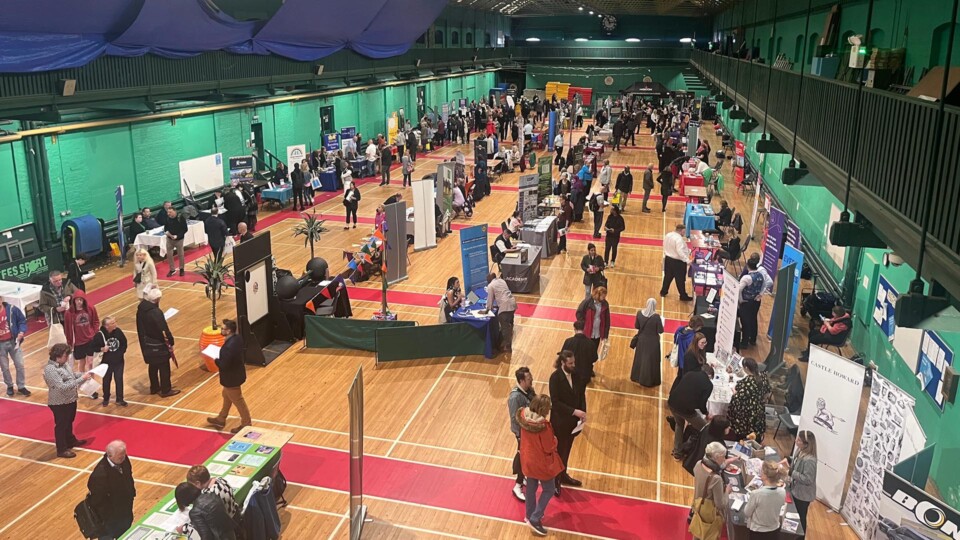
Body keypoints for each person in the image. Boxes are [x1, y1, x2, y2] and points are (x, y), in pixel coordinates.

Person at [517, 394, 565, 537]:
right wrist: (555, 440)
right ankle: (535, 518)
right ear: (544, 409)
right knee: (549, 489)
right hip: (541, 463)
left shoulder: (523, 418)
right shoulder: (543, 427)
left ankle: (529, 515)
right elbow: (549, 447)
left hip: (527, 460)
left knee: (531, 488)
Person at [43, 343, 91, 458]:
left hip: (70, 399)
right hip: (59, 402)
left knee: (69, 421)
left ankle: (70, 440)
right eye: (66, 356)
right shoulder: (50, 369)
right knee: (61, 425)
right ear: (57, 356)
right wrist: (81, 379)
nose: (68, 358)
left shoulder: (64, 365)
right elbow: (62, 386)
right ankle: (61, 449)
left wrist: (82, 374)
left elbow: (71, 376)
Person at [548, 350, 587, 492]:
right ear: (563, 362)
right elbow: (555, 402)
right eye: (570, 363)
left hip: (572, 422)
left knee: (567, 450)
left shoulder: (576, 375)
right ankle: (555, 479)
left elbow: (581, 395)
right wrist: (574, 411)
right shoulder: (555, 378)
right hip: (560, 422)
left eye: (574, 362)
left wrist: (583, 412)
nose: (573, 365)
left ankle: (563, 475)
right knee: (558, 452)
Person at [206, 319, 251, 434]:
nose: (221, 330)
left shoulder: (228, 347)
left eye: (223, 328)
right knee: (226, 395)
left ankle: (246, 424)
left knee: (238, 400)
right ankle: (221, 418)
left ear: (229, 330)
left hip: (231, 378)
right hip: (237, 374)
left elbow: (224, 365)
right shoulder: (237, 338)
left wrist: (216, 359)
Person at [136, 286, 180, 398]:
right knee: (164, 367)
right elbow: (163, 329)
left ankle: (154, 387)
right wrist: (170, 341)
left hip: (147, 343)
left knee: (153, 365)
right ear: (157, 300)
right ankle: (166, 389)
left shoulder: (141, 310)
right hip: (158, 344)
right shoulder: (155, 312)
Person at [87, 440, 136, 539]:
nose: (123, 457)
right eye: (120, 456)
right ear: (110, 456)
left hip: (125, 510)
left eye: (124, 454)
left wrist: (131, 495)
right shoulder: (100, 475)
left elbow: (128, 477)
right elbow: (97, 501)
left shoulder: (123, 459)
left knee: (126, 533)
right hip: (109, 519)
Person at [668, 363, 714, 459]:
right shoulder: (708, 385)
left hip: (672, 403)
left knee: (679, 425)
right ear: (709, 376)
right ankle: (701, 454)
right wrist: (706, 414)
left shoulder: (690, 374)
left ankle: (677, 452)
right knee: (705, 428)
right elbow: (702, 404)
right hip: (686, 410)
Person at [690, 440, 731, 540]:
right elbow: (720, 504)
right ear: (716, 457)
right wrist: (727, 492)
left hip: (697, 505)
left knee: (697, 532)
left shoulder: (698, 464)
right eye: (723, 456)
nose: (725, 458)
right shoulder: (716, 479)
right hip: (710, 513)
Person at [507, 367, 536, 502]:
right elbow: (515, 419)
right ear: (521, 380)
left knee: (526, 457)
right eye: (529, 379)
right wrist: (524, 434)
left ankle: (522, 477)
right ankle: (517, 485)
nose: (532, 380)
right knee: (523, 457)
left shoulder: (529, 390)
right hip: (522, 433)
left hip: (529, 431)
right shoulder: (515, 397)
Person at [780, 431, 817, 536]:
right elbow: (796, 462)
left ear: (806, 444)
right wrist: (788, 459)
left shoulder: (810, 460)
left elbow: (808, 479)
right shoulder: (799, 451)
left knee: (801, 518)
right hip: (795, 489)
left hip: (803, 495)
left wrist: (790, 472)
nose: (796, 441)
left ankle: (801, 536)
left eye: (799, 440)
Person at [64, 290, 100, 394]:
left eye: (81, 300)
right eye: (77, 300)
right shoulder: (69, 313)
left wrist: (94, 332)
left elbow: (96, 321)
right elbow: (67, 329)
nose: (79, 302)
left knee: (90, 363)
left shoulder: (91, 308)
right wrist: (70, 342)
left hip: (90, 340)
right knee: (81, 363)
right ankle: (82, 383)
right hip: (78, 342)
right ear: (73, 301)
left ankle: (92, 385)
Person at [727, 358, 771, 442]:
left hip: (747, 411)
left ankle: (742, 441)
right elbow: (767, 393)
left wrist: (733, 390)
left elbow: (737, 396)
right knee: (755, 428)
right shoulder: (763, 377)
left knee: (744, 429)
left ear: (746, 368)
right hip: (758, 408)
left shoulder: (747, 382)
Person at [744, 461, 787, 539]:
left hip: (758, 532)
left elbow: (747, 512)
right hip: (774, 531)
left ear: (765, 476)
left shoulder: (756, 494)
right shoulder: (782, 491)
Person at [91, 317, 128, 407]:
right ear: (106, 326)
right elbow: (92, 347)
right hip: (106, 363)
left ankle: (120, 399)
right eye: (112, 323)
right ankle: (106, 398)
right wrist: (101, 349)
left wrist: (120, 353)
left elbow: (124, 343)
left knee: (119, 379)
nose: (115, 324)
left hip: (119, 361)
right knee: (106, 380)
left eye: (115, 322)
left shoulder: (118, 331)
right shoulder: (100, 335)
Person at [739, 257, 772, 349]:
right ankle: (753, 339)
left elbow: (739, 289)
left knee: (745, 321)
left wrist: (740, 300)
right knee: (753, 319)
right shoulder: (761, 275)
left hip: (746, 302)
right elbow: (766, 283)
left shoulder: (746, 278)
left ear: (747, 266)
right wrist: (760, 294)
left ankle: (744, 342)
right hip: (756, 301)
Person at [630, 298, 664, 387]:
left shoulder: (639, 313)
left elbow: (636, 326)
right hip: (653, 342)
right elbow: (660, 330)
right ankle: (648, 380)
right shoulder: (656, 317)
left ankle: (637, 377)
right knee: (651, 361)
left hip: (641, 340)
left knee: (640, 359)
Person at [0, 295, 28, 397]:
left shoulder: (12, 309)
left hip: (13, 341)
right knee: (5, 367)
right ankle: (9, 386)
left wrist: (21, 331)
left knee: (19, 364)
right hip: (0, 345)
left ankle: (21, 386)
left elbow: (22, 321)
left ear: (1, 299)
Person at [660, 223, 693, 301]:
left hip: (668, 259)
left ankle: (663, 292)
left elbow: (664, 244)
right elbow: (680, 251)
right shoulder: (679, 239)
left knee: (667, 277)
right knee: (680, 280)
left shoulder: (668, 235)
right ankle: (683, 296)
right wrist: (687, 260)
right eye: (684, 232)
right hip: (678, 262)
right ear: (682, 231)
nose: (684, 234)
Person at [487, 272, 518, 353]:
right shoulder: (502, 281)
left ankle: (507, 346)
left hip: (505, 307)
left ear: (489, 280)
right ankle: (506, 339)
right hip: (512, 303)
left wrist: (487, 309)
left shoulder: (490, 285)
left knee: (504, 328)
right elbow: (502, 293)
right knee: (508, 324)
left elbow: (490, 300)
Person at [575, 286, 610, 357]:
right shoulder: (587, 301)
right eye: (603, 297)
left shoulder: (605, 304)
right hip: (587, 332)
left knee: (593, 352)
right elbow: (579, 313)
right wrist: (584, 324)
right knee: (584, 351)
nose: (604, 298)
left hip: (597, 333)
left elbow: (607, 321)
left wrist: (605, 335)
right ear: (598, 295)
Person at [562, 320, 599, 386]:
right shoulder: (591, 343)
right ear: (584, 329)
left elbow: (562, 356)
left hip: (571, 373)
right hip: (585, 375)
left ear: (574, 329)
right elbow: (594, 358)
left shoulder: (568, 341)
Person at [163, 206, 188, 277]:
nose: (168, 214)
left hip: (179, 239)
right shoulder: (167, 218)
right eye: (168, 212)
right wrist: (167, 233)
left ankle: (181, 269)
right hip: (169, 239)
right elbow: (165, 228)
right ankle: (172, 269)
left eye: (170, 212)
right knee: (169, 255)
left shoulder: (180, 218)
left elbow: (185, 229)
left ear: (175, 211)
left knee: (181, 254)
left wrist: (178, 236)